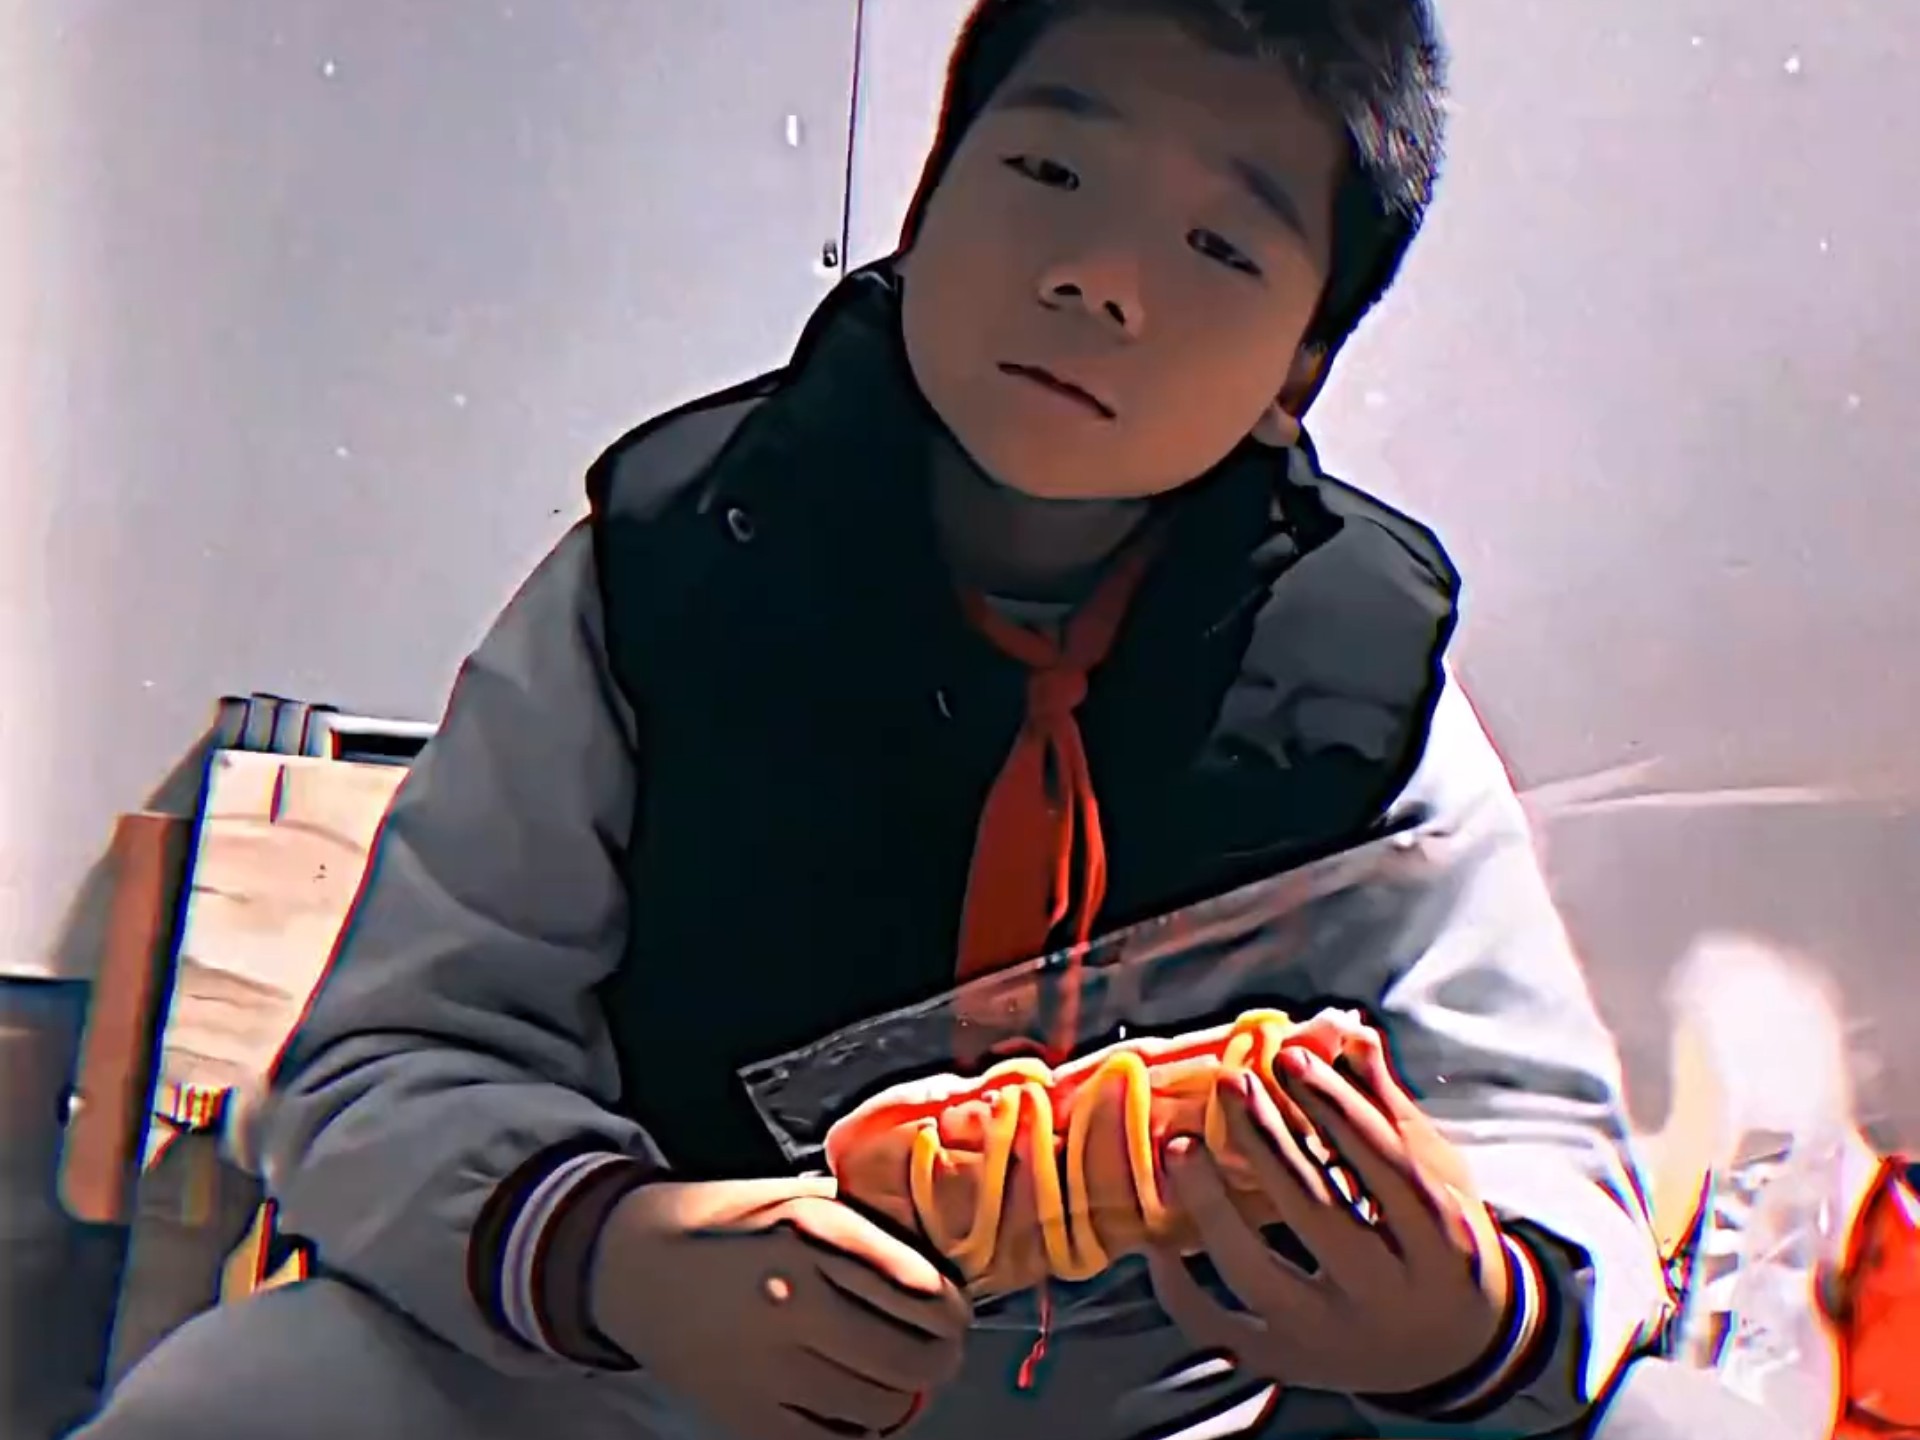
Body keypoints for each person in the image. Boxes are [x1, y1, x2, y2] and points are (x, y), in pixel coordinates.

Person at [78, 2, 1677, 1436]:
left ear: (1301, 367)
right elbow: (383, 1064)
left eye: (1218, 247)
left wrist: (1473, 1315)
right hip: (669, 1387)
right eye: (1050, 173)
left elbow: (1540, 1132)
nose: (1099, 281)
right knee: (247, 1396)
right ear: (926, 200)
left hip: (1169, 1413)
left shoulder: (1364, 683)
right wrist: (621, 1254)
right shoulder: (671, 575)